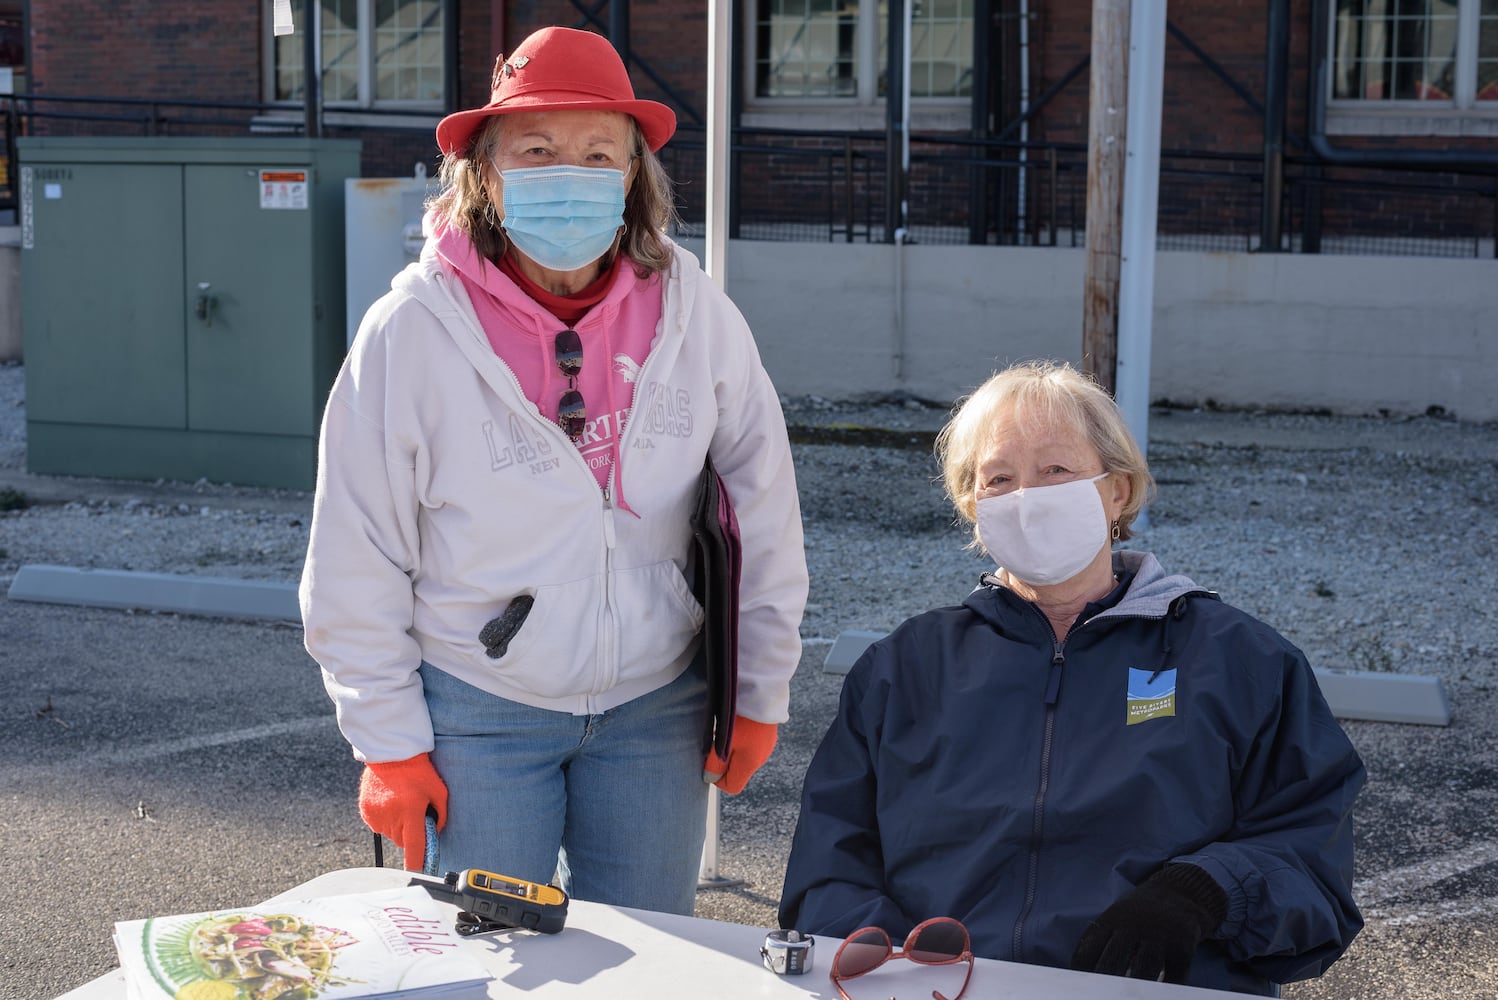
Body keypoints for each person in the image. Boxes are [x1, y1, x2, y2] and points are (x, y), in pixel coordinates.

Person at [299, 25, 808, 916]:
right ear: (487, 175)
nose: (568, 172)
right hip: (480, 707)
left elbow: (762, 508)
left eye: (597, 153)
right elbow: (357, 548)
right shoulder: (411, 332)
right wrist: (387, 744)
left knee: (653, 961)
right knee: (490, 965)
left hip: (658, 704)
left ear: (632, 176)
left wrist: (762, 689)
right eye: (536, 149)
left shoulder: (697, 316)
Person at [778, 360, 1364, 995]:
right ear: (974, 507)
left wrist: (1205, 892)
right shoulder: (903, 668)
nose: (1028, 496)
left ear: (1119, 490)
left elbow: (1311, 860)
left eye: (1056, 470)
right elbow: (828, 868)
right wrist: (901, 972)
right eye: (1000, 478)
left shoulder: (1241, 661)